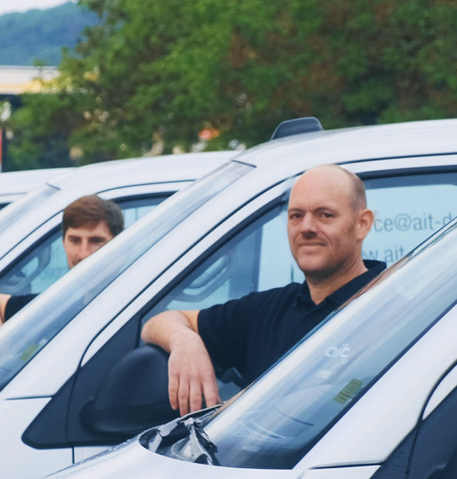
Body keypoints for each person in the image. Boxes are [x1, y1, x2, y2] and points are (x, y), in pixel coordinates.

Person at [143, 164, 382, 415]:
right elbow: (159, 323)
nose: (307, 227)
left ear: (362, 224)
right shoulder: (270, 310)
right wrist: (184, 341)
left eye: (325, 215)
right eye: (296, 215)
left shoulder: (393, 315)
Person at [0, 194, 124, 350]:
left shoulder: (134, 305)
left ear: (119, 243)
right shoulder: (60, 306)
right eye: (75, 240)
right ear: (63, 243)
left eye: (96, 241)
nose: (83, 253)